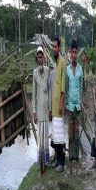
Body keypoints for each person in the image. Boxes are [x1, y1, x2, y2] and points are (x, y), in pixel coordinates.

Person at [65, 40, 83, 174]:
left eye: (76, 52)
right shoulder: (67, 70)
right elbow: (65, 88)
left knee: (77, 135)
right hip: (70, 107)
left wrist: (81, 102)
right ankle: (70, 162)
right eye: (73, 52)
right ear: (70, 53)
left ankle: (77, 162)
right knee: (70, 135)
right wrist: (66, 104)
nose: (74, 54)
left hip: (77, 107)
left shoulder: (81, 69)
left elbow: (81, 88)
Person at [32, 47, 51, 170]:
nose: (40, 58)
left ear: (44, 58)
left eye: (42, 56)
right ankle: (40, 162)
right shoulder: (34, 73)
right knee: (40, 136)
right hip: (38, 110)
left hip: (46, 109)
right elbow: (34, 93)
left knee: (45, 136)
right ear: (36, 59)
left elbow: (49, 90)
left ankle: (45, 161)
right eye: (38, 57)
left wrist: (50, 109)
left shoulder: (48, 70)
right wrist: (34, 111)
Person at [51, 37, 66, 172]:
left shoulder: (62, 62)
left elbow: (62, 87)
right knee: (55, 135)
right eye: (53, 47)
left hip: (59, 107)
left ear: (59, 48)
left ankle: (62, 162)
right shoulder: (55, 63)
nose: (54, 49)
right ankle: (57, 159)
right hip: (54, 107)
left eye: (56, 47)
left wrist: (61, 104)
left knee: (60, 136)